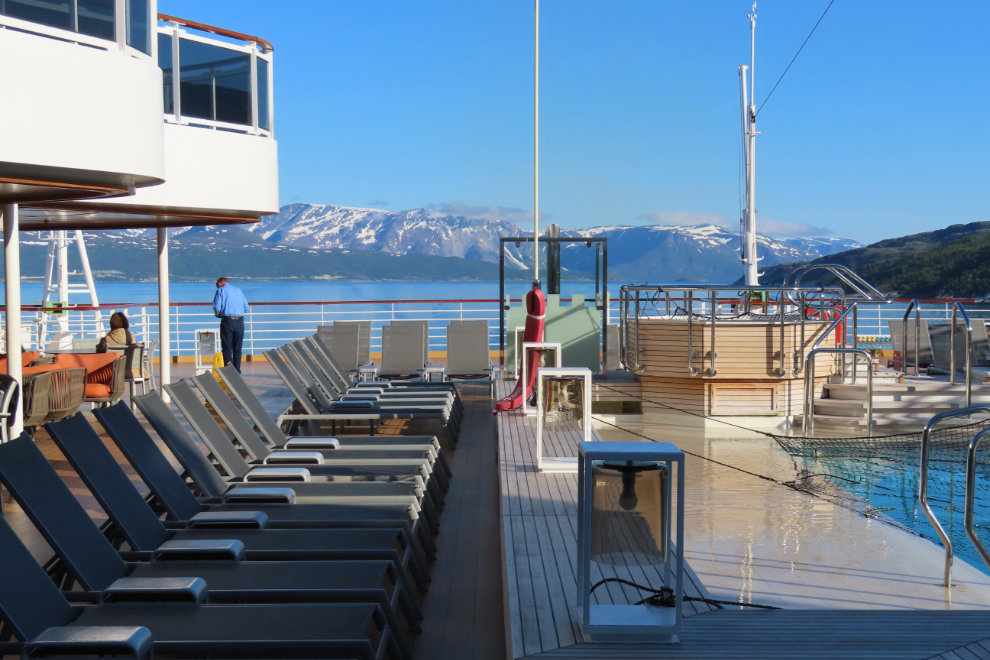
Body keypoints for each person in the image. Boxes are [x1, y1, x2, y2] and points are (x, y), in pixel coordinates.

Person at [213, 277, 249, 373]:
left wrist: (218, 314)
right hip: (240, 321)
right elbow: (246, 307)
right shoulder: (238, 290)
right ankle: (237, 371)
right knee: (237, 348)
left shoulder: (220, 290)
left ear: (219, 284)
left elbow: (217, 307)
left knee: (227, 348)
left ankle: (230, 372)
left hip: (227, 321)